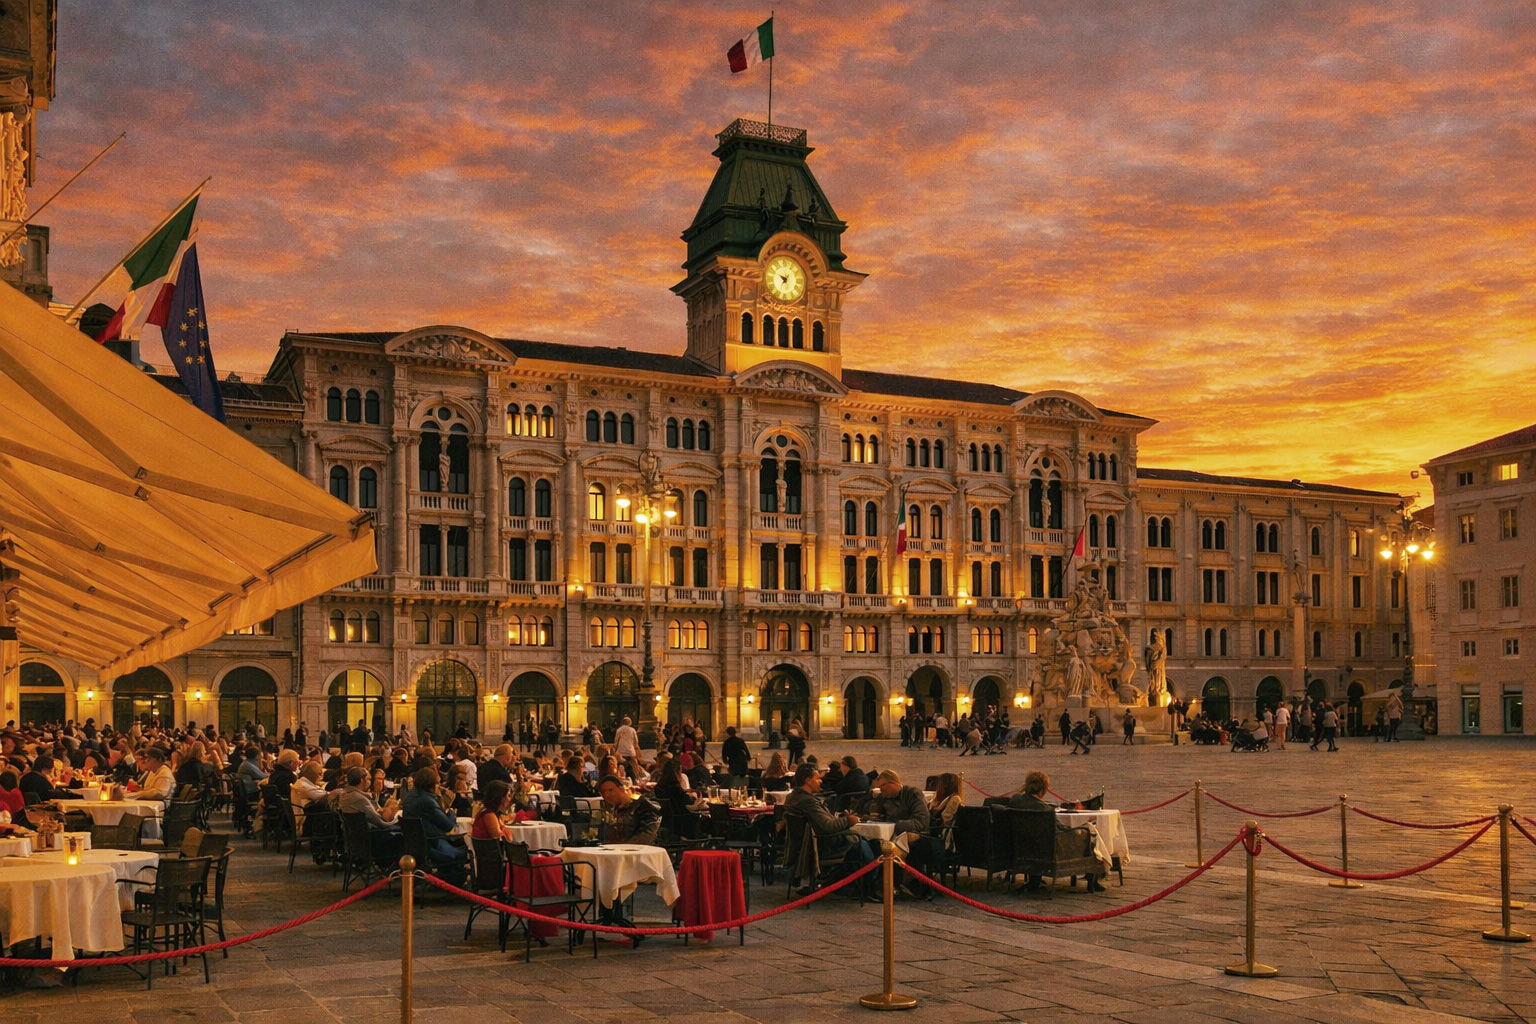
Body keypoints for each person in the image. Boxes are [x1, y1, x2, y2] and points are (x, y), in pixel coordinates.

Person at [987, 771, 1104, 892]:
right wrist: (1083, 827)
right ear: (1043, 789)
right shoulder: (1045, 809)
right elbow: (1060, 829)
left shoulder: (1015, 801)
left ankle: (1034, 880)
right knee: (1090, 836)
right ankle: (1093, 879)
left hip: (1022, 846)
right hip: (1047, 849)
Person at [783, 764, 872, 895]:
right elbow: (829, 826)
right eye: (817, 778)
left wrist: (840, 818)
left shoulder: (793, 798)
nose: (821, 781)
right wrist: (849, 820)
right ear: (808, 780)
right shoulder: (808, 802)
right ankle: (868, 888)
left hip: (803, 846)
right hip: (819, 846)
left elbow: (822, 822)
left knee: (869, 843)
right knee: (863, 844)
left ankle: (838, 882)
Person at [400, 767, 468, 885]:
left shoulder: (409, 797)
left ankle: (449, 877)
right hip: (433, 844)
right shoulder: (428, 801)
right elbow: (448, 825)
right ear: (432, 785)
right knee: (467, 848)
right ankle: (453, 879)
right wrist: (450, 811)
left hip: (416, 845)